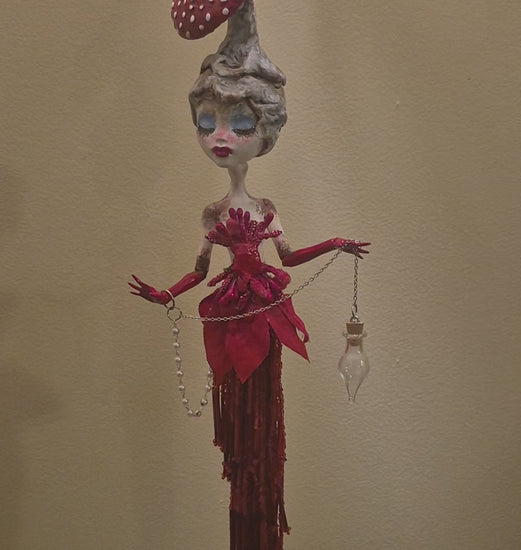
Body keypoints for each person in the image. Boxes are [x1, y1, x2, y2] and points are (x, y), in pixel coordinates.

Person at [129, 2, 368, 549]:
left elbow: (289, 257)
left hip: (263, 313)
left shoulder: (264, 209)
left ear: (265, 131)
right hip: (231, 313)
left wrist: (336, 243)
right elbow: (199, 272)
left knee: (264, 411)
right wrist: (166, 293)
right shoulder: (214, 214)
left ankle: (262, 506)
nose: (221, 138)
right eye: (207, 123)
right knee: (238, 414)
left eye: (240, 125)